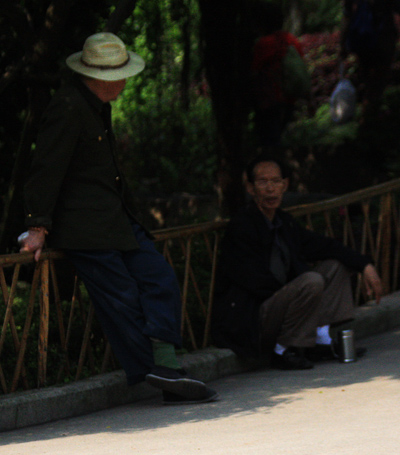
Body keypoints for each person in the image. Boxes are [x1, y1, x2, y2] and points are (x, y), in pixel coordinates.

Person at [19, 32, 218, 405]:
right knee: (122, 297)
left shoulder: (95, 105)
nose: (125, 81)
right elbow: (46, 167)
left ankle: (165, 366)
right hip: (85, 228)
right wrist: (37, 226)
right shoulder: (68, 106)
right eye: (120, 75)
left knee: (158, 276)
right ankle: (163, 372)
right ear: (102, 77)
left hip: (116, 219)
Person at [211, 154, 383, 370]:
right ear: (250, 188)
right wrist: (297, 291)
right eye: (263, 182)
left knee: (334, 267)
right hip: (254, 318)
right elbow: (253, 280)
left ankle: (320, 340)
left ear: (285, 185)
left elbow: (325, 246)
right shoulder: (242, 226)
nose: (270, 189)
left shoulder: (285, 223)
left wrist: (365, 265)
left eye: (275, 182)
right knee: (311, 281)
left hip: (283, 305)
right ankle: (283, 350)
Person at [250, 4, 307, 147]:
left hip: (269, 100)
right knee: (281, 136)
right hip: (290, 97)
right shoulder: (292, 40)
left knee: (270, 140)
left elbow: (254, 70)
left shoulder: (263, 44)